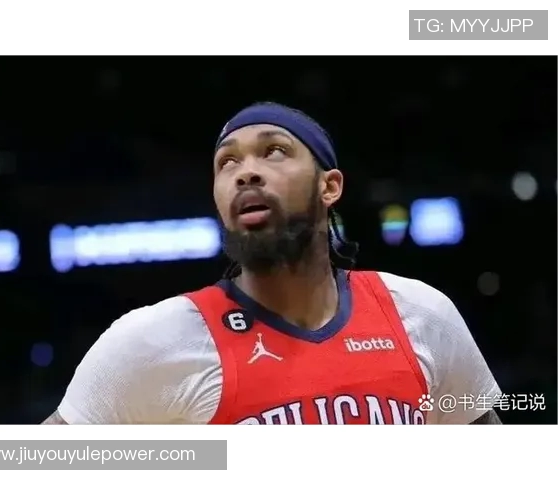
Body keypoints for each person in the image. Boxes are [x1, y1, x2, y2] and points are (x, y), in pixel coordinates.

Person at [44, 102, 502, 425]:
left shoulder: (420, 314)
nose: (245, 172)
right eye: (227, 162)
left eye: (274, 151)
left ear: (329, 187)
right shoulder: (154, 340)